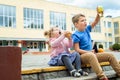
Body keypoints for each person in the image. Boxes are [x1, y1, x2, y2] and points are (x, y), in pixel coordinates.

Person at [72, 8, 120, 80]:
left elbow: (96, 21)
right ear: (76, 24)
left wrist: (99, 14)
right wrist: (89, 52)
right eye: (82, 21)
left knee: (110, 55)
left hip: (92, 55)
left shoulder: (87, 29)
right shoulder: (75, 35)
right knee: (91, 55)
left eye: (85, 20)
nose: (85, 22)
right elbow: (77, 49)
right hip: (82, 57)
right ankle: (102, 77)